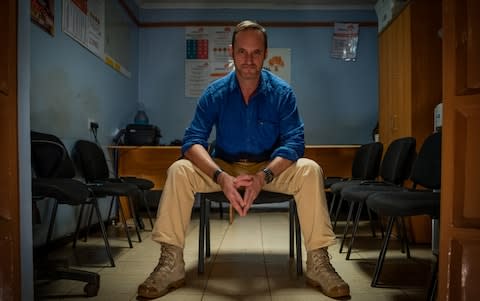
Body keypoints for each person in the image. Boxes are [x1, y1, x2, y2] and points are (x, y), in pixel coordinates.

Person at [137, 20, 350, 299]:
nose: (249, 60)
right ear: (232, 52)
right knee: (179, 170)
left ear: (265, 53)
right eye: (242, 52)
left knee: (310, 169)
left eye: (256, 52)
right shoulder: (214, 94)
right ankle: (171, 262)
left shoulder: (282, 94)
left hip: (267, 167)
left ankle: (318, 261)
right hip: (223, 166)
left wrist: (264, 177)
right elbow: (192, 142)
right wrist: (219, 176)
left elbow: (295, 142)